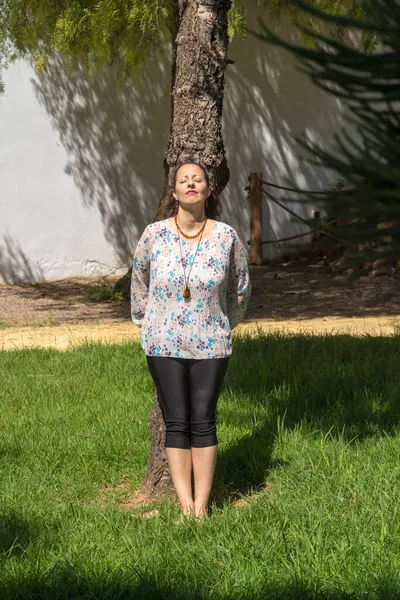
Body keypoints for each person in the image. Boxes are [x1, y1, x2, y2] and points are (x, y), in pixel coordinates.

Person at [130, 161, 252, 519]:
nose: (191, 184)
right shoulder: (154, 234)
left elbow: (241, 288)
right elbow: (139, 282)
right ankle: (185, 505)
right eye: (183, 180)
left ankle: (202, 506)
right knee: (177, 420)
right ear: (174, 192)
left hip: (211, 342)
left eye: (197, 179)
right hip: (163, 342)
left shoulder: (225, 236)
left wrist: (221, 324)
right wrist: (147, 322)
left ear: (208, 190)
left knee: (203, 419)